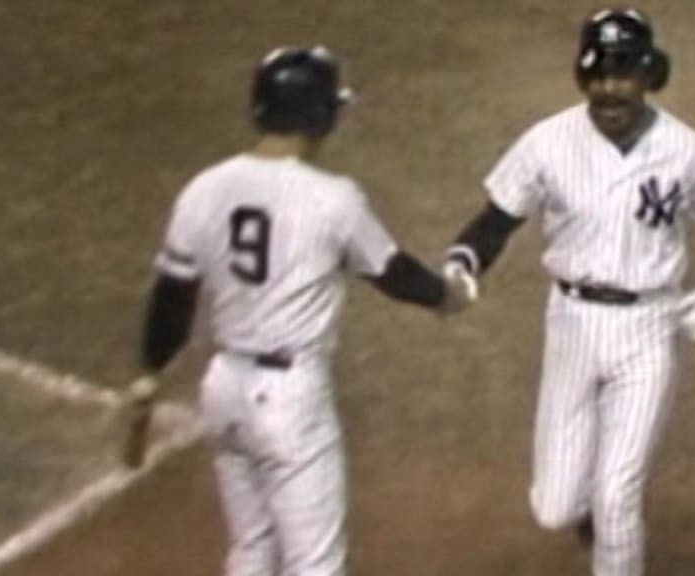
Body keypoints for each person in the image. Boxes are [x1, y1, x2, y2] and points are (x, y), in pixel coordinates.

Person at [442, 8, 695, 575]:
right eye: (598, 76)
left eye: (623, 75)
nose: (609, 90)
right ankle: (586, 509)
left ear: (648, 77)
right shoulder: (548, 143)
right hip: (571, 324)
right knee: (554, 506)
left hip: (649, 327)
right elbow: (494, 221)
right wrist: (464, 263)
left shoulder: (684, 150)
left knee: (619, 499)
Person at [128, 46, 467, 576]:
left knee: (251, 550)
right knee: (315, 564)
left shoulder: (204, 189)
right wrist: (447, 296)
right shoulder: (333, 198)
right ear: (322, 116)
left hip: (224, 391)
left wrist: (149, 373)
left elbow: (172, 300)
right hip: (289, 401)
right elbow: (392, 272)